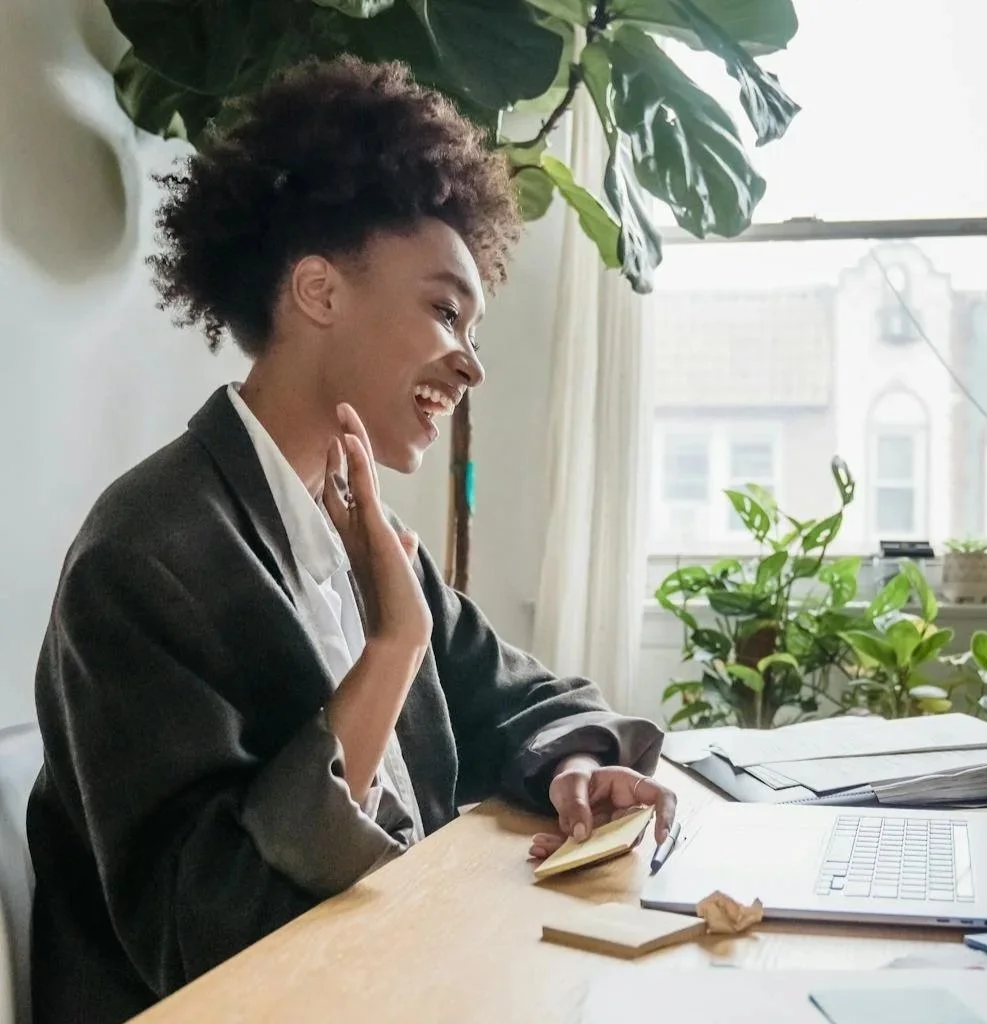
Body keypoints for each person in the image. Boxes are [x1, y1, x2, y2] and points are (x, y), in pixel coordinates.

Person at [26, 57, 675, 1023]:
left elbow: (531, 700)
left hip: (388, 974)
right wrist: (390, 654)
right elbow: (202, 935)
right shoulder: (147, 555)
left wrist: (574, 769)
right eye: (445, 309)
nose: (472, 365)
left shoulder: (357, 532)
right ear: (319, 292)